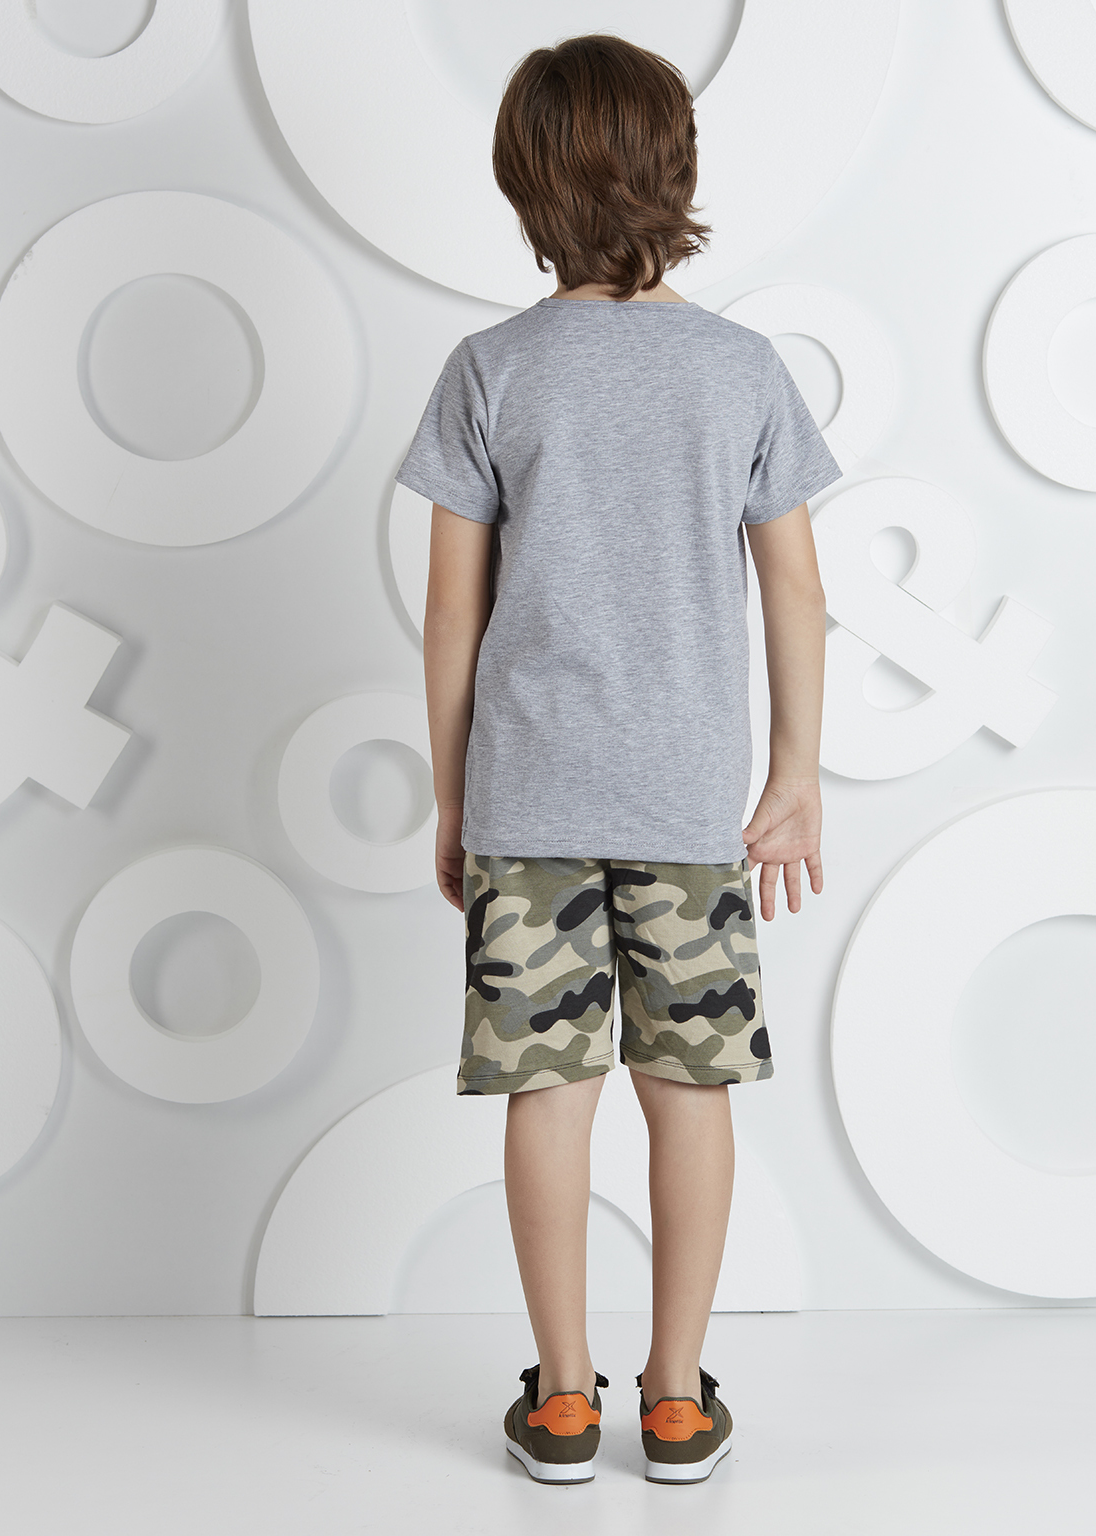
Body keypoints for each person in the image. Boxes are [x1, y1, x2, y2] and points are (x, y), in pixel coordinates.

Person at [395, 33, 840, 1486]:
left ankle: (565, 1400)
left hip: (527, 795)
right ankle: (676, 1397)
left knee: (548, 1092)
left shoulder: (490, 369)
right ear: (678, 169)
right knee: (688, 1091)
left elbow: (451, 611)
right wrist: (795, 771)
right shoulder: (742, 370)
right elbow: (796, 591)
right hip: (686, 802)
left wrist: (456, 796)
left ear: (522, 186)